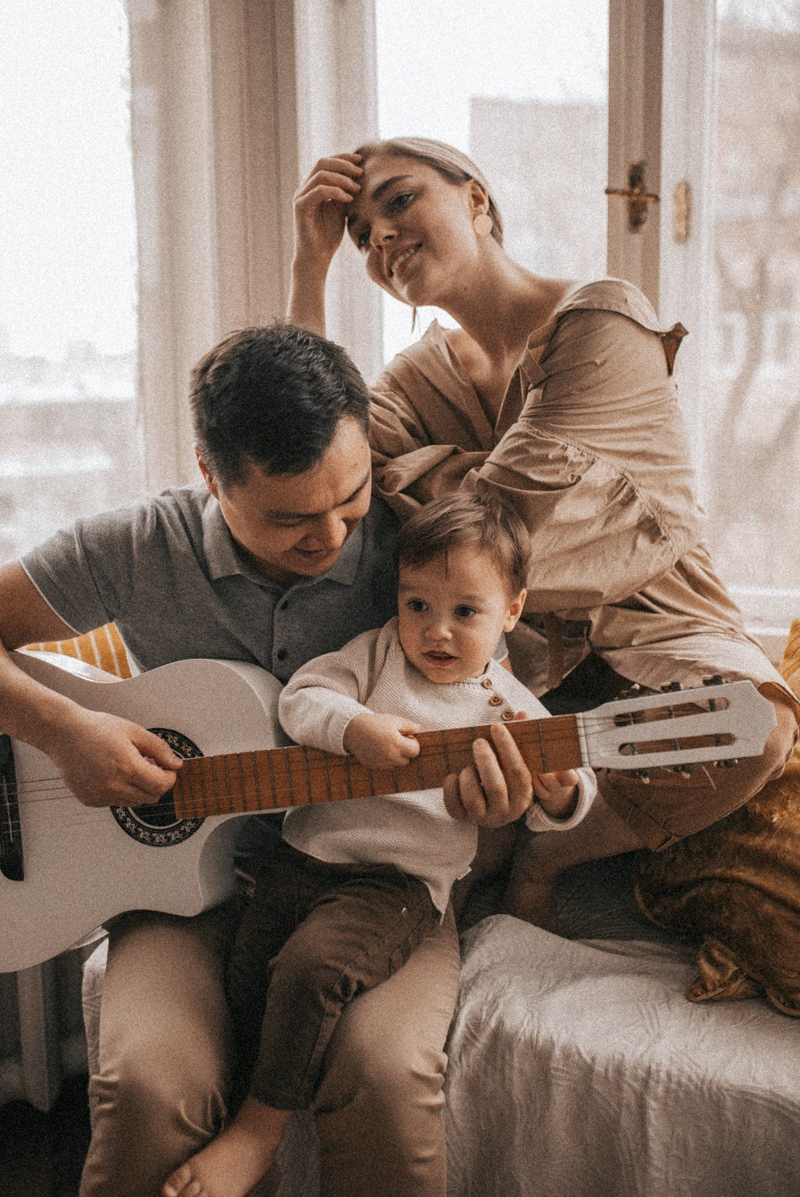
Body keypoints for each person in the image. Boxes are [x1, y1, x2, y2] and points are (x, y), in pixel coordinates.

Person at [0, 323, 534, 1197]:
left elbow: (487, 699)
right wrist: (64, 731)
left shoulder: (419, 551)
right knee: (148, 1088)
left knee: (387, 1077)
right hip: (175, 890)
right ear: (212, 479)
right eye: (290, 517)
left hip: (372, 875)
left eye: (350, 498)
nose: (331, 536)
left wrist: (504, 805)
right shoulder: (137, 546)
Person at [287, 136, 799, 929]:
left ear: (478, 200)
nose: (379, 236)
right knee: (421, 815)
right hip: (508, 654)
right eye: (357, 233)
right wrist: (308, 267)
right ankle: (501, 835)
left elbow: (505, 528)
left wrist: (417, 478)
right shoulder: (413, 378)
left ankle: (551, 852)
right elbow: (316, 459)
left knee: (757, 724)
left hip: (659, 619)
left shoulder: (600, 318)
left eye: (397, 200)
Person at [163, 489, 596, 1197]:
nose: (436, 631)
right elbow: (301, 698)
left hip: (397, 887)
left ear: (512, 611)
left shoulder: (510, 708)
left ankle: (259, 1132)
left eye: (466, 612)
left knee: (309, 969)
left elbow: (573, 785)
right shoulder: (376, 655)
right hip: (300, 859)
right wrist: (354, 727)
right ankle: (248, 1117)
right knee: (246, 970)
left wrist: (562, 794)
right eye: (416, 604)